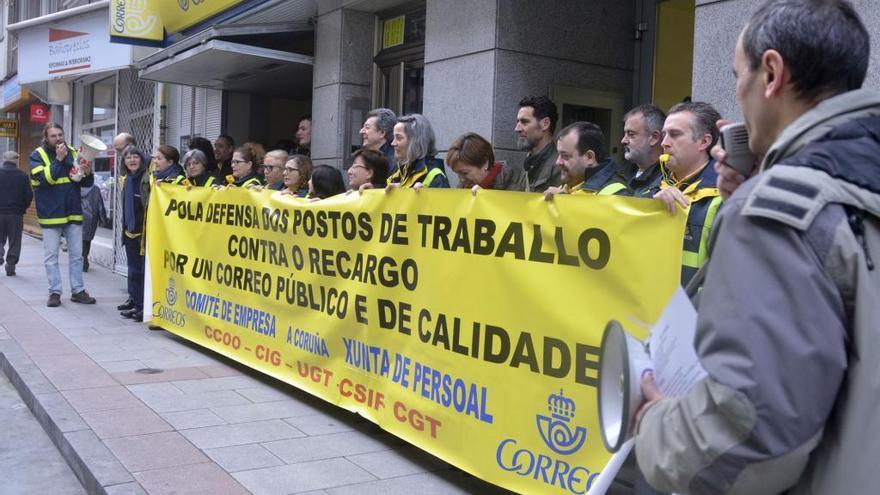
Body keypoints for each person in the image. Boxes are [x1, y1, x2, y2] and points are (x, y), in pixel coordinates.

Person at [635, 3, 879, 495]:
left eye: (737, 75)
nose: (738, 96)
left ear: (771, 73)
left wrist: (656, 429)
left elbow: (750, 433)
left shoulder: (774, 210)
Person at [652, 101, 723, 286]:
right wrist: (650, 210)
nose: (664, 143)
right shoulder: (652, 189)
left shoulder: (724, 195)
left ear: (704, 142)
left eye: (674, 135)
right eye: (664, 134)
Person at [29, 123, 96, 306]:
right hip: (50, 213)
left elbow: (83, 182)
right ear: (46, 138)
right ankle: (55, 293)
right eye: (53, 136)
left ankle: (78, 290)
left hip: (72, 210)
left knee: (77, 255)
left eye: (60, 134)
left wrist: (88, 172)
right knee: (51, 256)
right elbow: (45, 180)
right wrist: (59, 160)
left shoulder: (74, 152)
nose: (58, 138)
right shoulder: (37, 155)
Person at [544, 122, 628, 199]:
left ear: (589, 157)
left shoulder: (618, 195)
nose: (558, 162)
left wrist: (564, 201)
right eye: (558, 154)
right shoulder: (568, 185)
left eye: (565, 156)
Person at [116, 146, 149, 322]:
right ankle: (134, 301)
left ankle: (142, 306)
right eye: (128, 158)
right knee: (133, 270)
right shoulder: (126, 179)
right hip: (129, 231)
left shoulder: (147, 179)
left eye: (135, 156)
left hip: (143, 234)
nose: (132, 160)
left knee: (142, 272)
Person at [446, 132, 527, 193]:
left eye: (465, 173)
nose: (461, 180)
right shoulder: (462, 189)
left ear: (485, 163)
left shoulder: (519, 185)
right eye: (457, 173)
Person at [387, 114, 449, 188]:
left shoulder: (436, 176)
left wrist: (425, 195)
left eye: (399, 138)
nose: (393, 143)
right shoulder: (398, 173)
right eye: (393, 137)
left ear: (416, 142)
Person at [515, 95, 562, 193]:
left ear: (545, 124)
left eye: (524, 122)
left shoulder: (560, 165)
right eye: (518, 122)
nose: (517, 129)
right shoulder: (528, 162)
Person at [620, 104, 665, 197]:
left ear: (654, 138)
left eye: (631, 134)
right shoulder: (621, 174)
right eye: (625, 134)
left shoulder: (669, 180)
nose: (623, 141)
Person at [0, 151, 32, 276]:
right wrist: (22, 208)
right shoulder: (22, 175)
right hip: (15, 214)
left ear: (3, 159)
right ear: (17, 161)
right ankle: (11, 264)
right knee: (15, 240)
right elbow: (28, 195)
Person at [80, 181, 106, 272]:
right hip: (91, 218)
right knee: (87, 239)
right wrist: (103, 219)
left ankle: (83, 259)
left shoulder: (75, 187)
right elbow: (100, 206)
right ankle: (84, 258)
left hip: (78, 217)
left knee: (80, 239)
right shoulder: (95, 189)